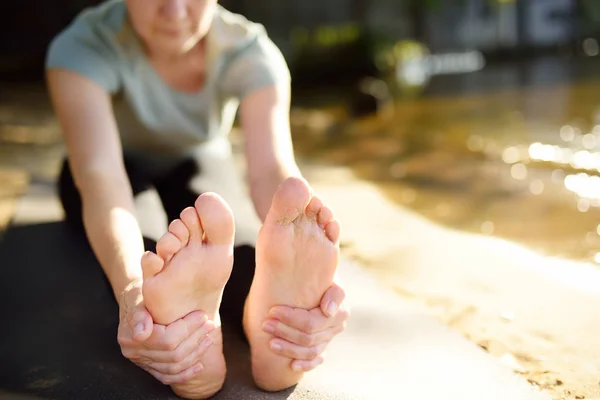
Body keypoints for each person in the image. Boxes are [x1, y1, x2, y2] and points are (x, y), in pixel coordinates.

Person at [45, 0, 349, 398]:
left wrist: (310, 251)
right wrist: (133, 292)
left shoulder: (250, 51)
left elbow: (271, 172)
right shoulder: (81, 47)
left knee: (227, 236)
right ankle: (175, 326)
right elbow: (102, 179)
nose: (174, 10)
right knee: (154, 254)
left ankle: (279, 328)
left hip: (197, 160)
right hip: (108, 171)